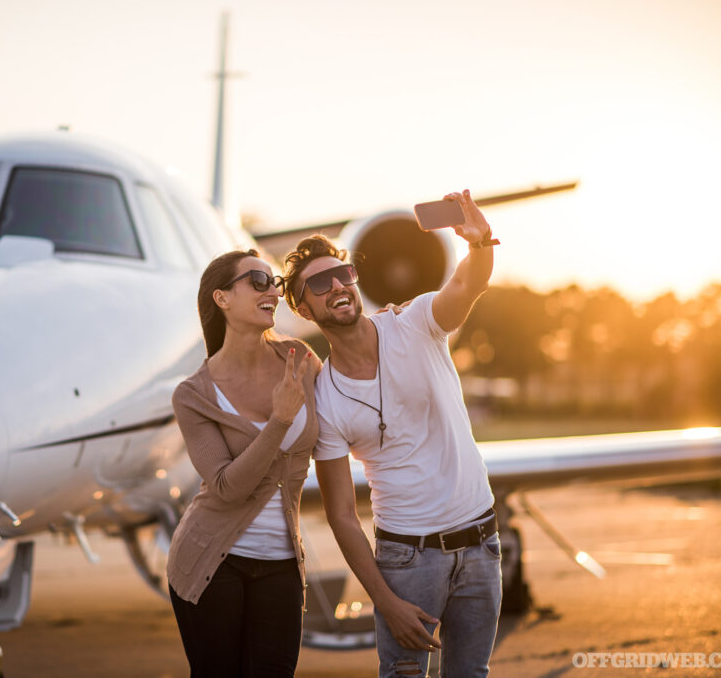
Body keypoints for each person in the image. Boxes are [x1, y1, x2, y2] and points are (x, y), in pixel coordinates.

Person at [282, 190, 502, 677]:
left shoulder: (416, 323)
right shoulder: (325, 397)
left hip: (482, 545)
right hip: (408, 560)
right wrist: (386, 601)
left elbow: (469, 285)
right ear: (302, 308)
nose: (337, 285)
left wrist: (479, 244)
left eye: (343, 273)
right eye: (319, 283)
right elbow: (341, 514)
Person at [168, 249, 321, 677]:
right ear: (222, 298)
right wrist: (280, 420)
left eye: (273, 281)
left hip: (282, 563)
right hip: (210, 561)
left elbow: (354, 394)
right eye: (256, 281)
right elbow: (226, 486)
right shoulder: (192, 394)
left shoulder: (302, 360)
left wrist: (388, 325)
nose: (272, 289)